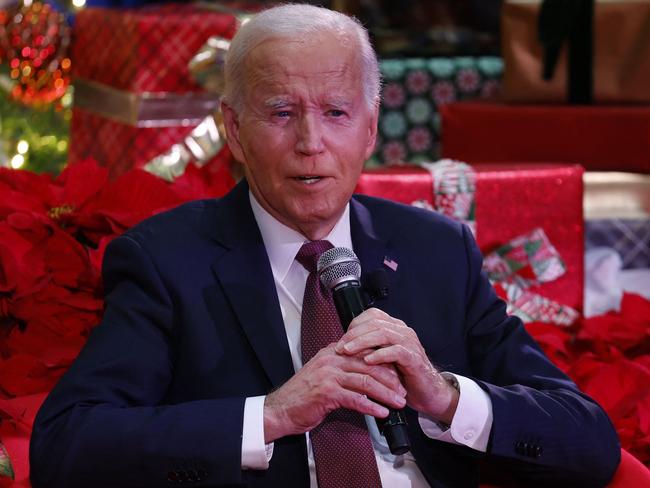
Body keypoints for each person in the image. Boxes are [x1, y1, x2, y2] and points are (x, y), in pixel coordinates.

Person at [30, 4, 620, 487]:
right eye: (281, 112)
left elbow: (590, 441)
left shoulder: (438, 251)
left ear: (370, 129)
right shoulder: (167, 260)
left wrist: (443, 397)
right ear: (233, 131)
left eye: (336, 112)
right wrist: (272, 414)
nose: (310, 143)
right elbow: (66, 446)